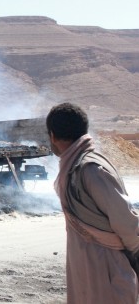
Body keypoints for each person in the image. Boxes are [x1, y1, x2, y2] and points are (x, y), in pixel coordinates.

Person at [47, 102, 139, 303]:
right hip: (85, 263)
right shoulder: (73, 167)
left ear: (52, 136)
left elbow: (125, 221)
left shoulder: (90, 169)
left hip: (107, 265)